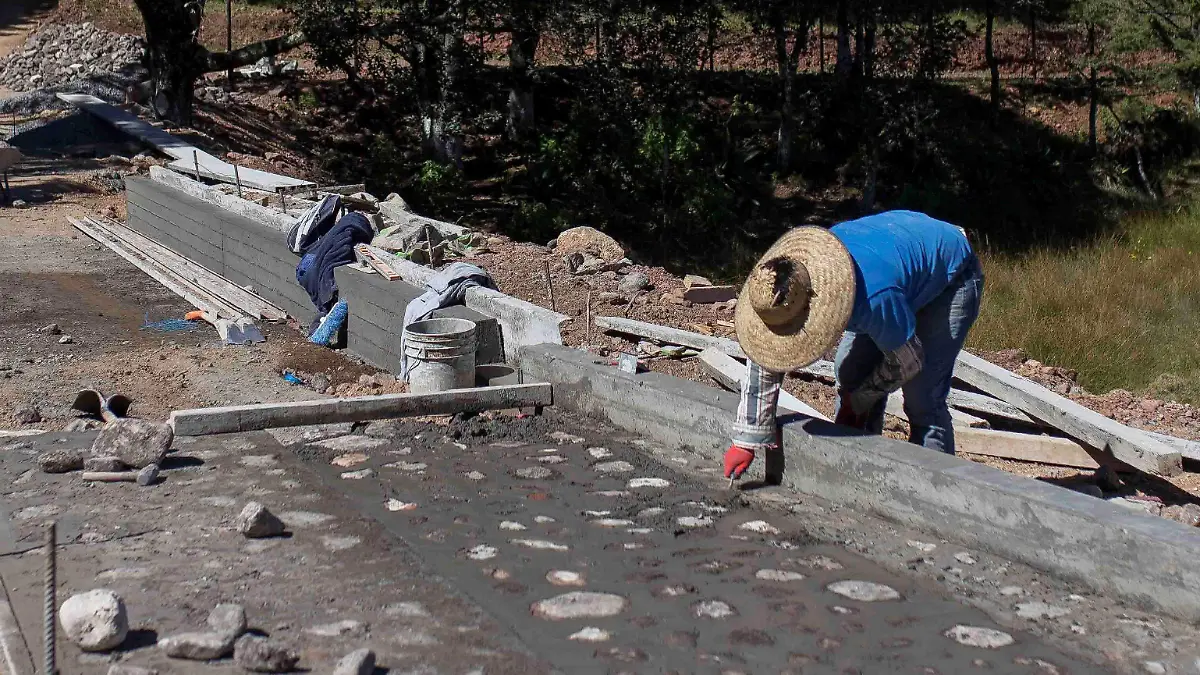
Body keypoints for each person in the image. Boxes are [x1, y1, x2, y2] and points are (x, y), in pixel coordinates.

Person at [724, 210, 984, 482]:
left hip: (950, 277)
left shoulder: (870, 299)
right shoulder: (777, 283)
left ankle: (936, 492)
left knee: (923, 399)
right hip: (896, 259)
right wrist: (748, 437)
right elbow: (766, 353)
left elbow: (909, 359)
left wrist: (861, 398)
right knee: (849, 373)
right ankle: (863, 477)